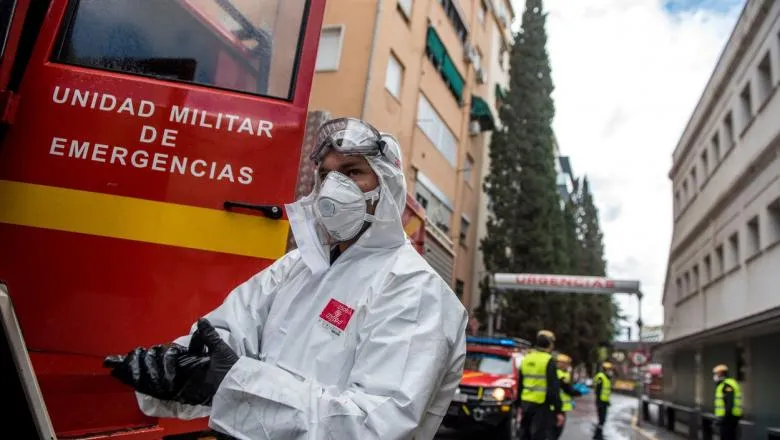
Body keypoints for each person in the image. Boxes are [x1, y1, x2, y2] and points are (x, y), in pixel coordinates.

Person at [103, 117, 469, 440]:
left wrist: (233, 383)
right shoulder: (299, 266)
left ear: (386, 184)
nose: (334, 186)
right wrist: (178, 368)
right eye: (325, 175)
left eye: (352, 172)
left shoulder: (415, 291)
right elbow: (228, 334)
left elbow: (373, 425)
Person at [518, 329, 562, 440]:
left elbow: (520, 384)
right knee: (539, 435)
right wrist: (558, 410)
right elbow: (553, 388)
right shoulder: (548, 361)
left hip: (526, 403)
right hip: (541, 405)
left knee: (525, 434)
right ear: (549, 344)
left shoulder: (526, 358)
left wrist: (519, 405)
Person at [553, 353, 582, 440]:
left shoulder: (563, 373)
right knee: (555, 432)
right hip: (558, 407)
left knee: (555, 431)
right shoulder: (559, 374)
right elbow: (567, 389)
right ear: (560, 363)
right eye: (566, 363)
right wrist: (578, 392)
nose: (567, 366)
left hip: (560, 406)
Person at [713, 364, 742, 440]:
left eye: (717, 373)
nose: (715, 376)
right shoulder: (724, 384)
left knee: (727, 437)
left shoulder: (727, 385)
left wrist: (724, 418)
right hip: (728, 417)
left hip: (729, 417)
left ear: (722, 374)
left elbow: (729, 402)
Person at [592, 362, 613, 440]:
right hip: (601, 402)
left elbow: (606, 391)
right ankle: (597, 435)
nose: (610, 371)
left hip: (604, 402)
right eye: (609, 369)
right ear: (605, 369)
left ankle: (598, 434)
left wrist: (607, 401)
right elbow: (598, 391)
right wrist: (599, 402)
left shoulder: (607, 377)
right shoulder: (601, 377)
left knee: (602, 419)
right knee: (601, 419)